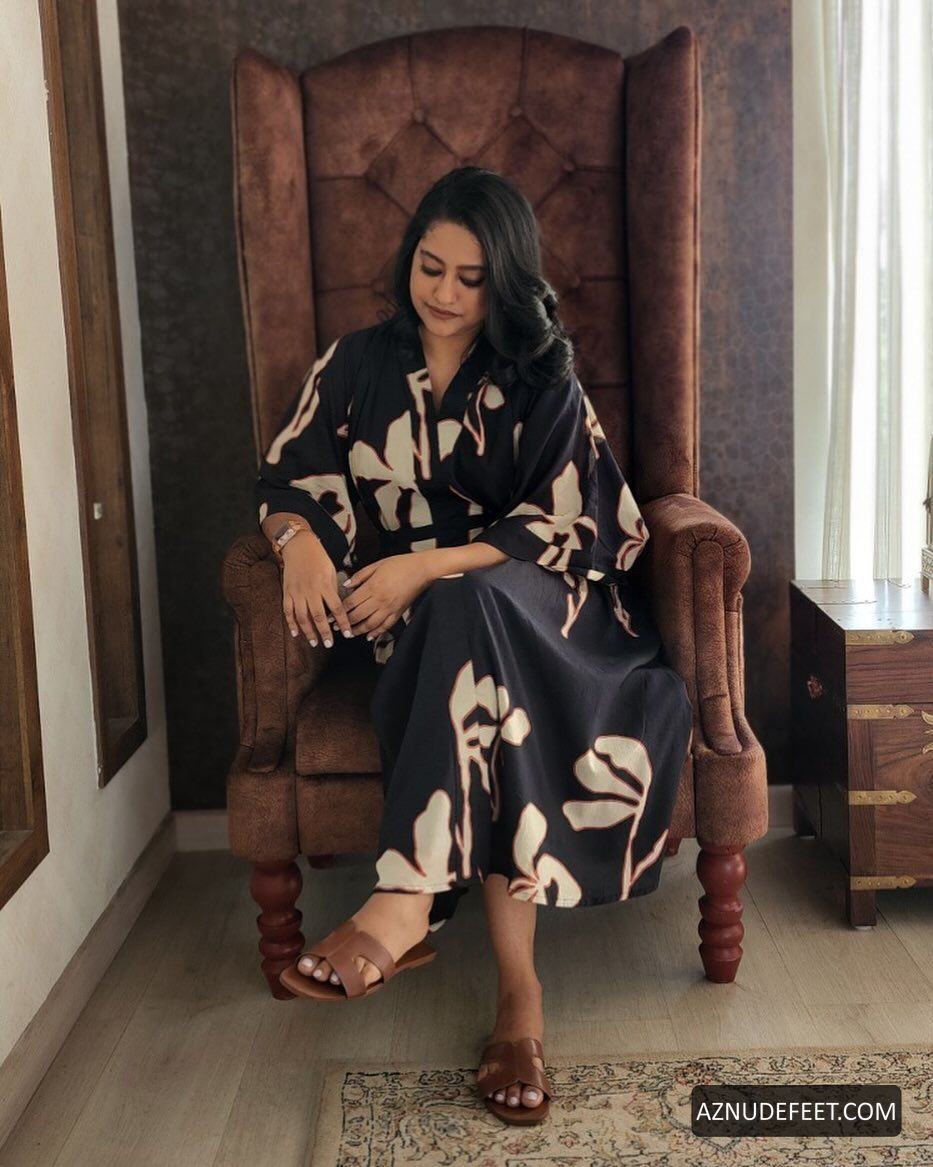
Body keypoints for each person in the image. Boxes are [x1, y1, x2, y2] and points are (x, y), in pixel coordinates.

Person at [253, 167, 694, 1124]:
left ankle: (407, 899)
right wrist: (298, 547)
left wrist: (425, 566)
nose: (445, 293)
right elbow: (293, 480)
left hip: (555, 621)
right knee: (461, 633)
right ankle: (517, 1004)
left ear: (505, 281)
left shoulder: (540, 375)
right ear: (407, 260)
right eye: (430, 268)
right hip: (424, 638)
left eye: (470, 277)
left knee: (466, 601)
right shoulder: (354, 365)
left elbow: (581, 523)